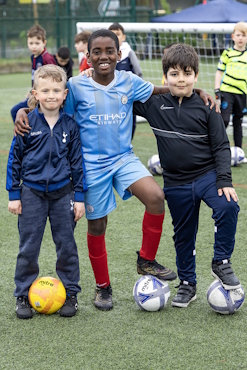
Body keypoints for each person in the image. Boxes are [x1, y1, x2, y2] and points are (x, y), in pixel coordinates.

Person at [14, 30, 216, 312]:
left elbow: (163, 90)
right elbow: (51, 101)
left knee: (156, 197)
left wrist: (196, 91)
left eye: (110, 51)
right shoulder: (76, 85)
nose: (104, 56)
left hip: (123, 159)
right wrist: (23, 110)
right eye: (97, 52)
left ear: (119, 55)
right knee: (98, 226)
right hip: (90, 166)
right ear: (88, 56)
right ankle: (103, 288)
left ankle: (146, 259)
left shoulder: (129, 82)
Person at [133, 43, 241, 308]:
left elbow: (221, 147)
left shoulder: (207, 107)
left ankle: (221, 262)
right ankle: (187, 284)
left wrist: (224, 180)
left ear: (196, 75)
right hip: (175, 182)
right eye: (174, 73)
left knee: (228, 206)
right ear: (165, 76)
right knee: (183, 235)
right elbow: (120, 94)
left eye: (187, 73)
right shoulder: (153, 105)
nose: (180, 79)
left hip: (207, 176)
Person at [6, 65, 87, 319]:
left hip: (63, 195)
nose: (51, 95)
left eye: (56, 90)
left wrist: (80, 198)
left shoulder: (70, 126)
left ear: (64, 94)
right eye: (45, 90)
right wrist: (14, 194)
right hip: (31, 193)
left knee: (67, 246)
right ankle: (22, 294)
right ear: (35, 93)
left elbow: (77, 164)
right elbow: (14, 160)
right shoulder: (26, 122)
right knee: (28, 246)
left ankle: (71, 294)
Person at [10, 24, 56, 123]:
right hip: (35, 95)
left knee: (16, 111)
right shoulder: (34, 57)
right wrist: (32, 91)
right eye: (31, 43)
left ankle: (28, 135)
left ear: (44, 43)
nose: (33, 46)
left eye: (37, 43)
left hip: (43, 96)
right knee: (17, 112)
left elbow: (54, 79)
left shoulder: (47, 58)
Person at [215, 21, 247, 162]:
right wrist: (217, 90)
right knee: (225, 120)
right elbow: (219, 72)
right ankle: (216, 149)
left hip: (242, 93)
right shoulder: (227, 53)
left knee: (238, 122)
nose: (241, 38)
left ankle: (239, 153)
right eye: (238, 35)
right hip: (227, 91)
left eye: (244, 35)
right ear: (233, 36)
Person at [109, 22, 143, 139]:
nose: (115, 37)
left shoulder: (128, 52)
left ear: (123, 36)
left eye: (117, 34)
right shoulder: (106, 55)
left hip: (127, 99)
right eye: (112, 34)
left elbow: (138, 74)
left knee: (129, 127)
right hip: (110, 99)